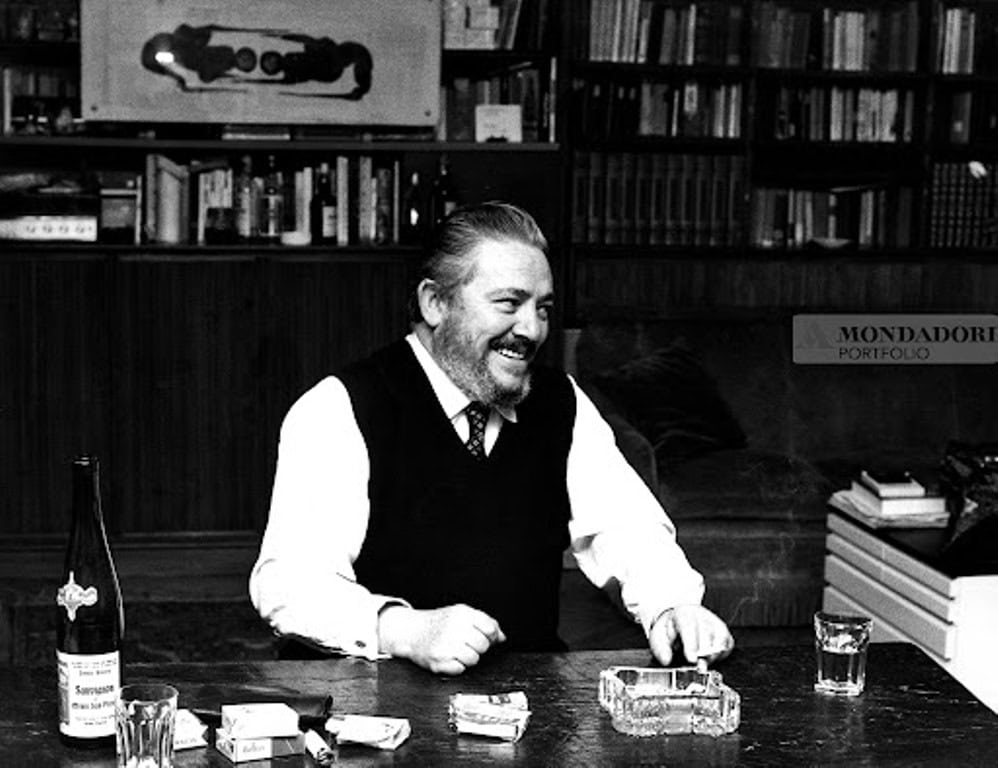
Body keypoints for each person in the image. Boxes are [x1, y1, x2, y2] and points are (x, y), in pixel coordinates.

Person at [250, 202, 733, 675]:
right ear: (435, 303)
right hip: (374, 701)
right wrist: (405, 630)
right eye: (509, 303)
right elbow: (288, 583)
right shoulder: (337, 407)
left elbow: (626, 529)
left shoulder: (561, 401)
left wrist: (672, 606)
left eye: (543, 308)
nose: (532, 329)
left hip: (527, 702)